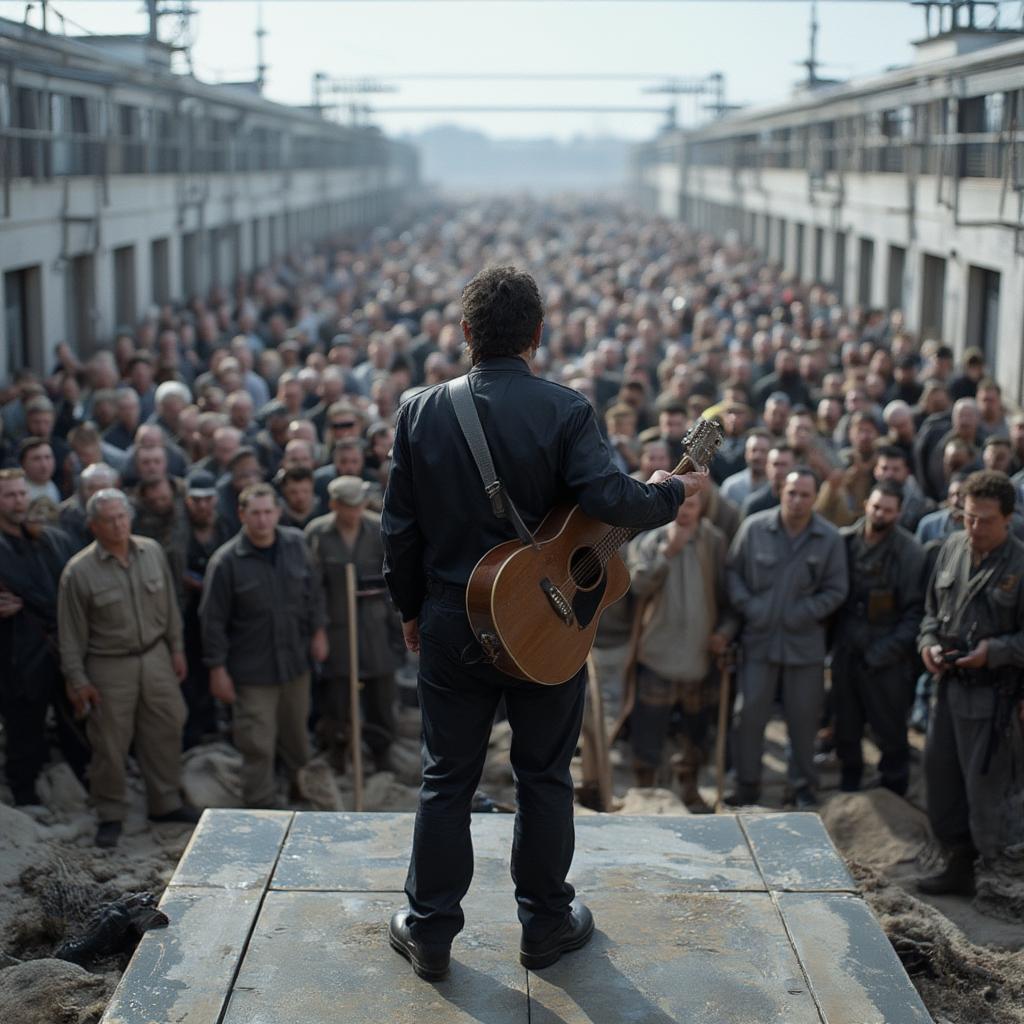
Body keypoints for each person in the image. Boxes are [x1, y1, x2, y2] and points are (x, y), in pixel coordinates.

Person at [381, 266, 707, 981]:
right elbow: (613, 499)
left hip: (447, 615)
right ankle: (545, 927)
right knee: (544, 777)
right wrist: (673, 491)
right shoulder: (566, 410)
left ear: (464, 333)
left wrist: (409, 611)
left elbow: (398, 532)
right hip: (546, 627)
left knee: (446, 780)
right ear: (537, 335)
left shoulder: (418, 409)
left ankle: (431, 932)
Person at [57, 488, 199, 848]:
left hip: (155, 657)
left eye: (123, 516)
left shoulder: (151, 552)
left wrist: (177, 649)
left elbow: (169, 607)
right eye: (109, 519)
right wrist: (78, 680)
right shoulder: (79, 571)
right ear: (93, 525)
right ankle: (110, 814)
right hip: (108, 665)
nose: (119, 524)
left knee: (166, 728)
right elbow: (70, 635)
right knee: (109, 743)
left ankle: (165, 803)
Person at [916, 470, 1024, 895]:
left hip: (995, 699)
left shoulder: (1019, 564)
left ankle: (999, 877)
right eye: (967, 517)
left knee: (988, 793)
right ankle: (957, 864)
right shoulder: (953, 549)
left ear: (1008, 521)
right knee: (941, 779)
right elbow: (928, 612)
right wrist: (927, 645)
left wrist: (993, 652)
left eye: (985, 520)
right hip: (948, 688)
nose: (974, 527)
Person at [199, 483, 328, 808]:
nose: (262, 520)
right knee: (257, 745)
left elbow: (314, 593)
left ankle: (303, 797)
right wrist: (217, 670)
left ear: (278, 513)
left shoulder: (296, 545)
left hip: (295, 665)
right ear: (242, 515)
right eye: (255, 513)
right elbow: (212, 620)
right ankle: (260, 810)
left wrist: (319, 632)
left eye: (268, 512)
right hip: (252, 673)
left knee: (298, 741)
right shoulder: (226, 562)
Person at [726, 467, 848, 808]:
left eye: (805, 495)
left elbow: (837, 590)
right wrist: (750, 607)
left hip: (804, 645)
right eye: (791, 493)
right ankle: (747, 784)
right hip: (759, 641)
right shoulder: (754, 529)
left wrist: (804, 612)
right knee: (748, 716)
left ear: (815, 498)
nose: (797, 500)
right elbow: (733, 573)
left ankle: (803, 788)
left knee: (803, 719)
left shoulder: (829, 538)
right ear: (781, 491)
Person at [625, 492, 737, 810]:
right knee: (648, 732)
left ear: (702, 507)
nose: (684, 511)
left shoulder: (714, 541)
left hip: (699, 658)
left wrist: (724, 633)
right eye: (680, 503)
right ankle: (646, 794)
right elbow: (638, 586)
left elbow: (729, 597)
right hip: (657, 654)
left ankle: (688, 788)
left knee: (695, 732)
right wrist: (668, 553)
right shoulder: (649, 541)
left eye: (692, 504)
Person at [305, 475, 404, 771]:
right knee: (337, 695)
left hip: (375, 625)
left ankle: (381, 751)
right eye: (349, 506)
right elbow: (312, 588)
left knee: (381, 694)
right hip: (337, 626)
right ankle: (339, 748)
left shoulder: (377, 528)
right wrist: (318, 630)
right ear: (334, 505)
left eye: (360, 504)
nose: (355, 511)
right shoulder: (318, 533)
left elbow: (396, 575)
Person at [831, 481, 924, 795]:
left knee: (890, 728)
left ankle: (894, 786)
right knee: (845, 724)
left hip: (886, 656)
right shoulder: (843, 541)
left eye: (887, 509)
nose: (879, 513)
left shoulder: (910, 552)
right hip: (846, 650)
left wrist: (886, 650)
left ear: (898, 513)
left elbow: (915, 614)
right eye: (875, 506)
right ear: (865, 505)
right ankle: (849, 779)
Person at [0, 469, 87, 805]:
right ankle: (24, 796)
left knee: (74, 725)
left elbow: (64, 587)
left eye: (21, 494)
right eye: (9, 495)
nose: (18, 501)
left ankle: (84, 785)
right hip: (17, 657)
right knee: (25, 731)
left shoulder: (47, 539)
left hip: (58, 649)